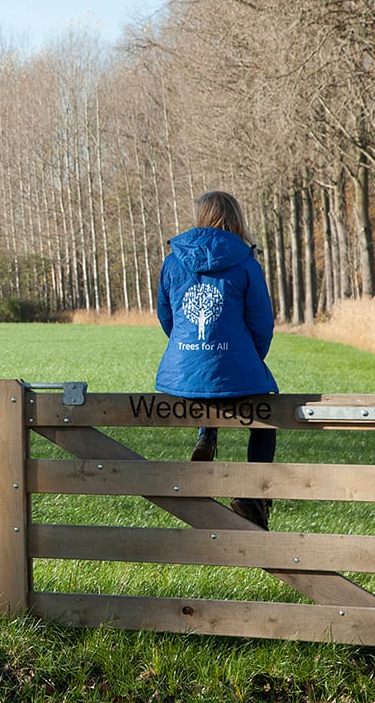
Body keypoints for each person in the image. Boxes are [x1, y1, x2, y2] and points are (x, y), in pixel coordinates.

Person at [154, 190, 278, 530]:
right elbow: (262, 324)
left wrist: (191, 350)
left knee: (207, 387)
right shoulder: (246, 263)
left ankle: (206, 434)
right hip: (233, 365)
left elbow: (167, 318)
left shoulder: (172, 261)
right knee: (268, 411)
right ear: (236, 218)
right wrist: (247, 358)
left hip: (181, 371)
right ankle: (254, 498)